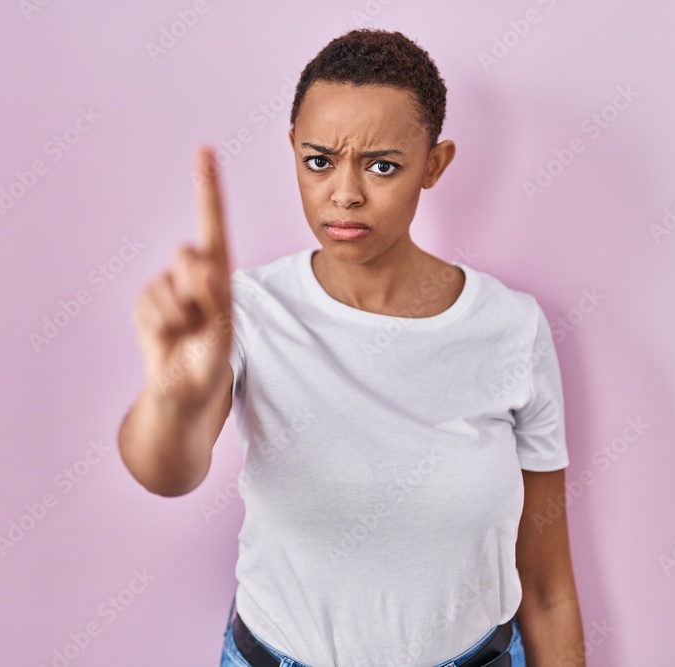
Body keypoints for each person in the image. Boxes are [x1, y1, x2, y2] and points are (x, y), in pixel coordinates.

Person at [118, 28, 586, 667]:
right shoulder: (243, 313)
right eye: (319, 161)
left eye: (382, 165)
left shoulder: (512, 327)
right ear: (293, 149)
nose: (344, 193)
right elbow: (166, 471)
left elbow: (549, 589)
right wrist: (174, 396)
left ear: (435, 164)